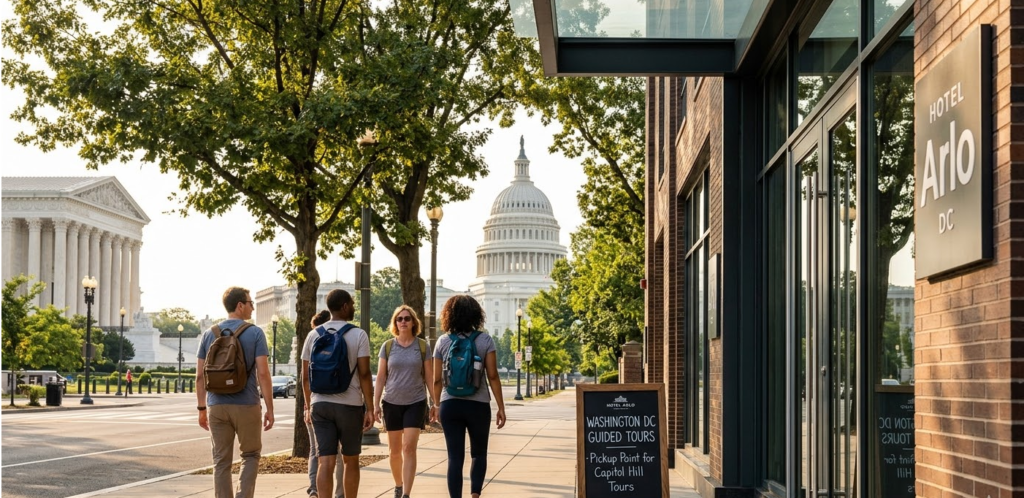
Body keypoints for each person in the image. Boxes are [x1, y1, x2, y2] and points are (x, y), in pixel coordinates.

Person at [196, 286, 275, 498]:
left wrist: (202, 408)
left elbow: (200, 376)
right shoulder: (256, 333)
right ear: (240, 306)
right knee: (250, 455)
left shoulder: (208, 334)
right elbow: (264, 374)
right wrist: (269, 408)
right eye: (250, 303)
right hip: (247, 404)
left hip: (216, 405)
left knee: (220, 461)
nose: (253, 308)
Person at [431, 295, 506, 498]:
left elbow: (437, 380)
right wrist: (501, 407)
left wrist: (436, 404)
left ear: (449, 316)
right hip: (478, 404)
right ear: (476, 315)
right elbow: (492, 376)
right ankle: (475, 495)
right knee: (478, 453)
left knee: (454, 457)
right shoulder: (484, 340)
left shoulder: (443, 341)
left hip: (450, 404)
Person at [301, 289, 374, 498]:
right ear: (344, 306)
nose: (353, 306)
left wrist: (308, 406)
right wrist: (369, 408)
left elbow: (305, 377)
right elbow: (365, 374)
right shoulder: (358, 334)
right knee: (350, 460)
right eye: (351, 303)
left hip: (320, 405)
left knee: (325, 461)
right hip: (349, 406)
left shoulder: (313, 335)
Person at [373, 305, 434, 498]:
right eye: (399, 319)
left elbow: (429, 377)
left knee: (409, 447)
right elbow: (381, 377)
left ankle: (406, 493)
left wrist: (435, 403)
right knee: (394, 450)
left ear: (414, 322)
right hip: (391, 402)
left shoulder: (422, 346)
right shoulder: (388, 346)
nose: (403, 322)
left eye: (407, 318)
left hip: (415, 402)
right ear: (395, 323)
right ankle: (398, 484)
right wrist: (375, 404)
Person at [306, 309, 343, 498]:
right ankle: (339, 493)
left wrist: (306, 406)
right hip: (342, 403)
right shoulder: (344, 337)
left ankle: (314, 489)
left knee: (317, 452)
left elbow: (306, 377)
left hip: (316, 403)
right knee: (339, 454)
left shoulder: (312, 339)